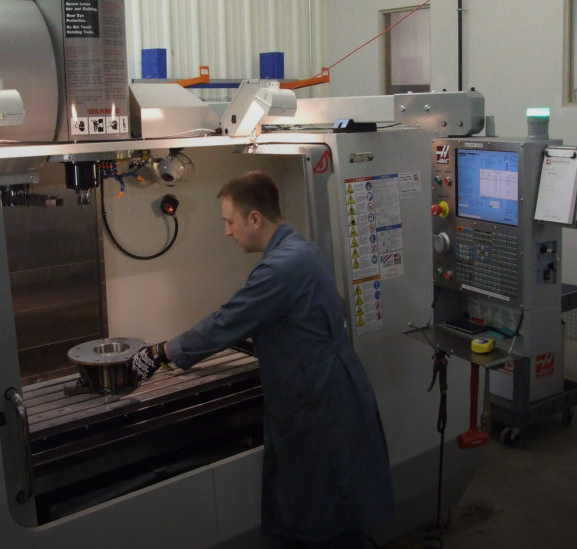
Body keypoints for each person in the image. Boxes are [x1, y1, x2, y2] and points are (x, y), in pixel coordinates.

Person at [124, 170, 395, 548]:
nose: (227, 232)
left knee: (327, 520)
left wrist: (161, 353)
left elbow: (227, 321)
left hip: (318, 402)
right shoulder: (302, 249)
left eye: (229, 221)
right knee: (332, 509)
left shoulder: (281, 268)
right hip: (329, 389)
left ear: (255, 219)